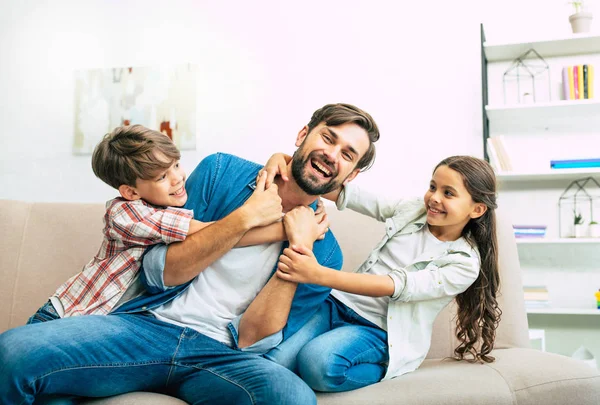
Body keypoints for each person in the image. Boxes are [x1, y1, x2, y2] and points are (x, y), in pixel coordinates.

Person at [0, 103, 380, 404]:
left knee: (292, 397)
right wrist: (248, 219)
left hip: (222, 356)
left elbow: (252, 339)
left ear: (351, 176)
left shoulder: (326, 255)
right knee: (12, 351)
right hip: (147, 326)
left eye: (347, 155)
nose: (332, 155)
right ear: (302, 135)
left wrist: (298, 246)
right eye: (327, 139)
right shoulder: (222, 172)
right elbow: (160, 270)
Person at [261, 154, 501, 392]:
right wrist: (283, 161)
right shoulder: (412, 209)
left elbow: (395, 286)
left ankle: (384, 367)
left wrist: (315, 274)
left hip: (378, 330)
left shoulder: (464, 264)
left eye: (448, 193)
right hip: (336, 305)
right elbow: (346, 194)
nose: (434, 198)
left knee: (317, 363)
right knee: (272, 362)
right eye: (432, 187)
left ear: (477, 209)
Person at [29, 125, 293, 323]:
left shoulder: (166, 204)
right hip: (64, 314)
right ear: (131, 191)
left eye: (176, 165)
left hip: (100, 320)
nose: (178, 178)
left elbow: (217, 234)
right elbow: (213, 231)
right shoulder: (125, 213)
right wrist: (284, 229)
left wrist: (277, 158)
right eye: (162, 176)